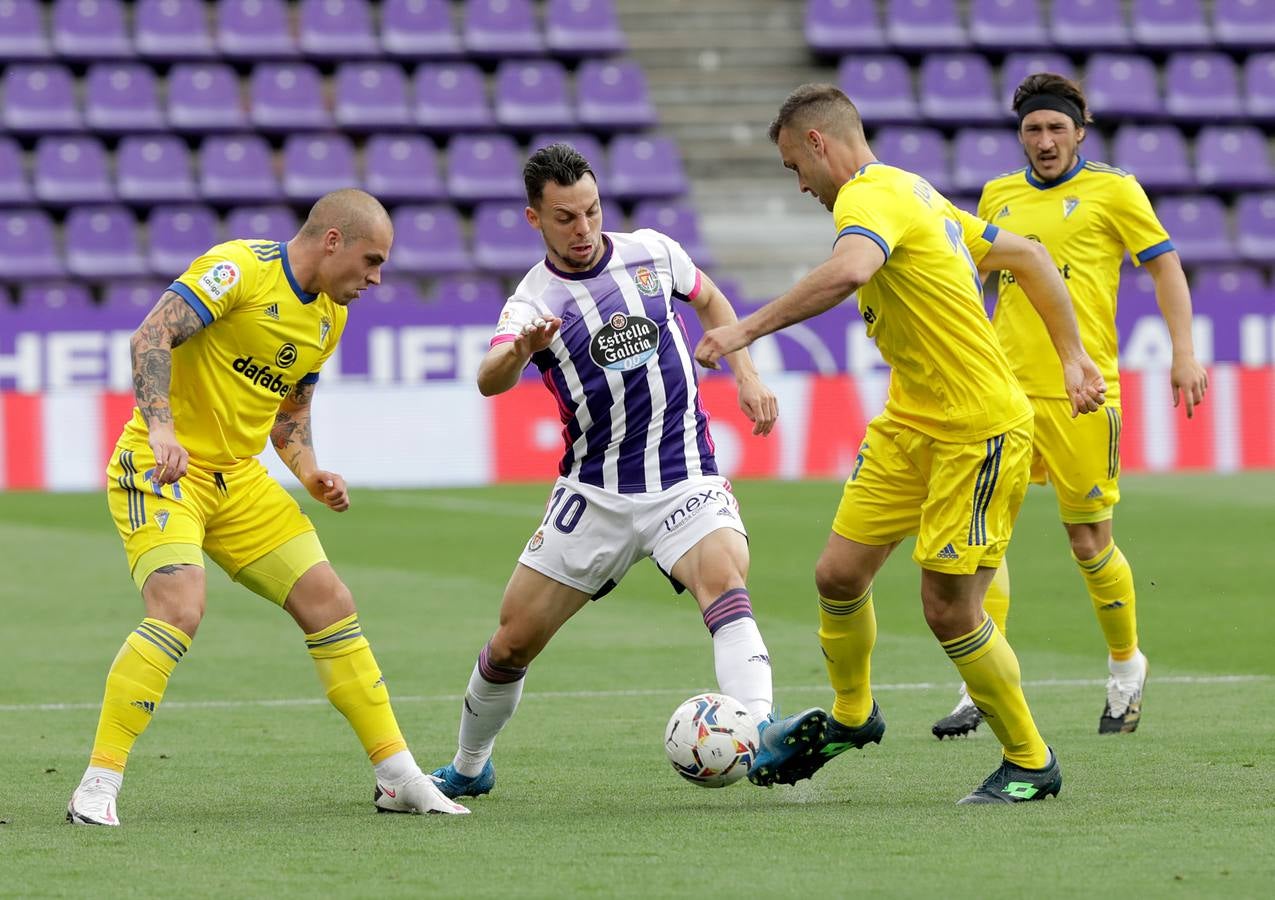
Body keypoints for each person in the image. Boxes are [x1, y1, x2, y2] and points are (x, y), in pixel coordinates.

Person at [695, 84, 1108, 804]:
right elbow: (1029, 256)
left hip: (976, 430)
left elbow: (852, 269)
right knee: (837, 575)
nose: (799, 186)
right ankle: (854, 716)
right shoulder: (915, 193)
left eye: (796, 166)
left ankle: (1029, 761)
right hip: (910, 423)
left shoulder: (865, 198)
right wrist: (1071, 356)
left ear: (820, 144)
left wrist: (743, 330)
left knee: (948, 609)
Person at [429, 143, 827, 798]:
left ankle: (761, 730)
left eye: (589, 210)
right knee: (509, 645)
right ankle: (470, 769)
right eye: (564, 218)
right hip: (594, 493)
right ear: (535, 220)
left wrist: (745, 372)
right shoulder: (533, 299)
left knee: (723, 581)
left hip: (683, 474)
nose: (582, 228)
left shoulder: (653, 252)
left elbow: (711, 298)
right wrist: (521, 352)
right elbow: (487, 378)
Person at [67, 189, 468, 825]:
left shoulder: (329, 317)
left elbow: (290, 411)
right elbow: (152, 336)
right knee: (179, 608)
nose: (376, 278)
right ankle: (97, 783)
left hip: (239, 481)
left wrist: (309, 471)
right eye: (371, 260)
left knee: (331, 604)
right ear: (332, 240)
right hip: (161, 467)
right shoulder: (239, 270)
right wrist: (163, 427)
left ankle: (397, 776)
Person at [929, 73, 1208, 740]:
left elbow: (1164, 266)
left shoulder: (1114, 191)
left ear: (1078, 132)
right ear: (1020, 136)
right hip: (1001, 392)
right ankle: (981, 681)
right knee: (982, 545)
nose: (1045, 140)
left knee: (1087, 541)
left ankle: (1124, 665)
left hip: (1082, 395)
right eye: (1033, 129)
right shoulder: (998, 195)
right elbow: (971, 281)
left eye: (1056, 128)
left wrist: (1183, 352)